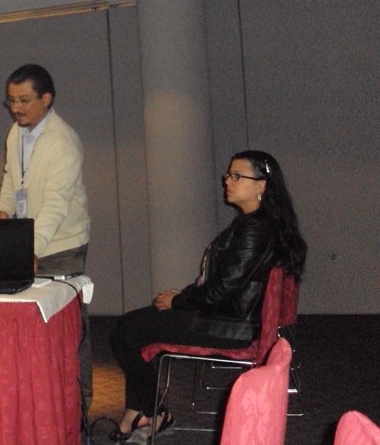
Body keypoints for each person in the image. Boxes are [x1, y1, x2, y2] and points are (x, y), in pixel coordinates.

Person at [109, 150, 307, 442]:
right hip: (230, 318)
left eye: (237, 176)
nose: (228, 181)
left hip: (229, 327)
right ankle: (141, 412)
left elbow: (220, 290)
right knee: (131, 328)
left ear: (261, 185)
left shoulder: (255, 229)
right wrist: (184, 297)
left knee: (127, 330)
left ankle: (153, 413)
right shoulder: (259, 223)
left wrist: (178, 301)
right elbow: (222, 284)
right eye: (228, 175)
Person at [0, 63, 93, 410]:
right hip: (28, 243)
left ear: (46, 99)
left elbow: (55, 206)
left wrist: (29, 250)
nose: (15, 108)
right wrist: (2, 214)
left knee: (67, 331)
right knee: (31, 328)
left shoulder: (63, 142)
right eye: (11, 100)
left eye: (23, 100)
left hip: (62, 246)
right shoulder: (16, 133)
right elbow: (11, 179)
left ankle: (78, 409)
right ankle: (38, 403)